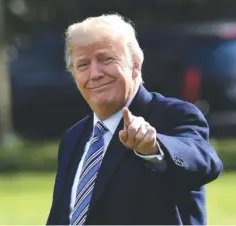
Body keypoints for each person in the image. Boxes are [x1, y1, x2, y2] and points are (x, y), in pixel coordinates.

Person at [46, 14, 223, 225]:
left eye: (106, 59)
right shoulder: (74, 138)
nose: (94, 73)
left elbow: (204, 162)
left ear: (136, 65)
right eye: (83, 65)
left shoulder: (173, 115)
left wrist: (154, 147)